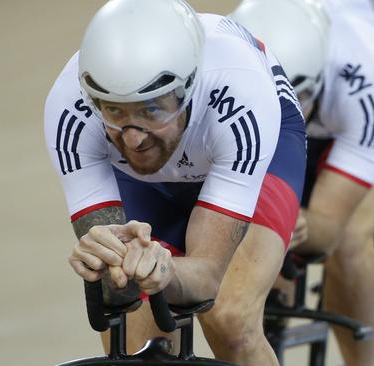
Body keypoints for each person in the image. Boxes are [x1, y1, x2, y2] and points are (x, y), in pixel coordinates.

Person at [43, 0, 307, 365]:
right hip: (144, 177)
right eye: (115, 111)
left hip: (246, 147)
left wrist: (163, 270)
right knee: (134, 343)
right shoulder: (69, 111)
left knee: (231, 319)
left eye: (151, 109)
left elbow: (206, 281)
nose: (133, 138)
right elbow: (115, 295)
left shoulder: (240, 95)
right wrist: (107, 268)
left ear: (189, 89)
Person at [230, 1, 374, 365]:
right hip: (304, 100)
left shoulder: (372, 87)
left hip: (366, 112)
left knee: (348, 239)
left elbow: (327, 230)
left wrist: (297, 222)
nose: (281, 111)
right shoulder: (227, 58)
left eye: (290, 101)